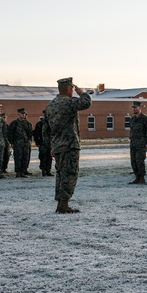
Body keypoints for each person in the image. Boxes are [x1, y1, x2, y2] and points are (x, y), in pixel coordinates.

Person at [46, 77, 91, 213]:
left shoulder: (51, 105)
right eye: (72, 88)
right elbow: (86, 103)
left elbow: (46, 129)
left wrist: (52, 146)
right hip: (70, 145)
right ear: (67, 89)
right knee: (70, 174)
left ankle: (61, 203)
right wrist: (82, 92)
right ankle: (64, 204)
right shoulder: (68, 103)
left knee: (60, 175)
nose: (73, 90)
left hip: (58, 146)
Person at [128, 100, 147, 184]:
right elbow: (131, 131)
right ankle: (137, 177)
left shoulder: (145, 119)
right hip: (133, 144)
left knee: (140, 161)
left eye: (135, 107)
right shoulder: (132, 120)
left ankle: (142, 178)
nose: (134, 109)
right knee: (133, 161)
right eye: (133, 108)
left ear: (140, 108)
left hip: (141, 144)